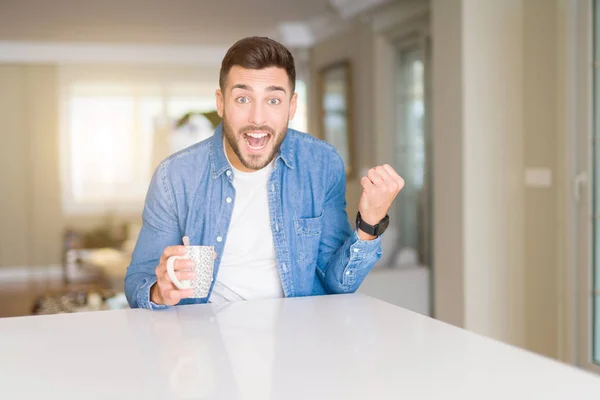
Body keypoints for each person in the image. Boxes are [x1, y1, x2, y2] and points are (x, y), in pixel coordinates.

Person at [125, 36, 404, 309]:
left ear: (292, 106)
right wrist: (158, 292)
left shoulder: (321, 163)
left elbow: (338, 284)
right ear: (221, 103)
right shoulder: (174, 176)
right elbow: (138, 279)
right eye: (243, 99)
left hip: (296, 337)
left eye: (273, 101)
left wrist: (369, 223)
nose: (257, 118)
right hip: (205, 340)